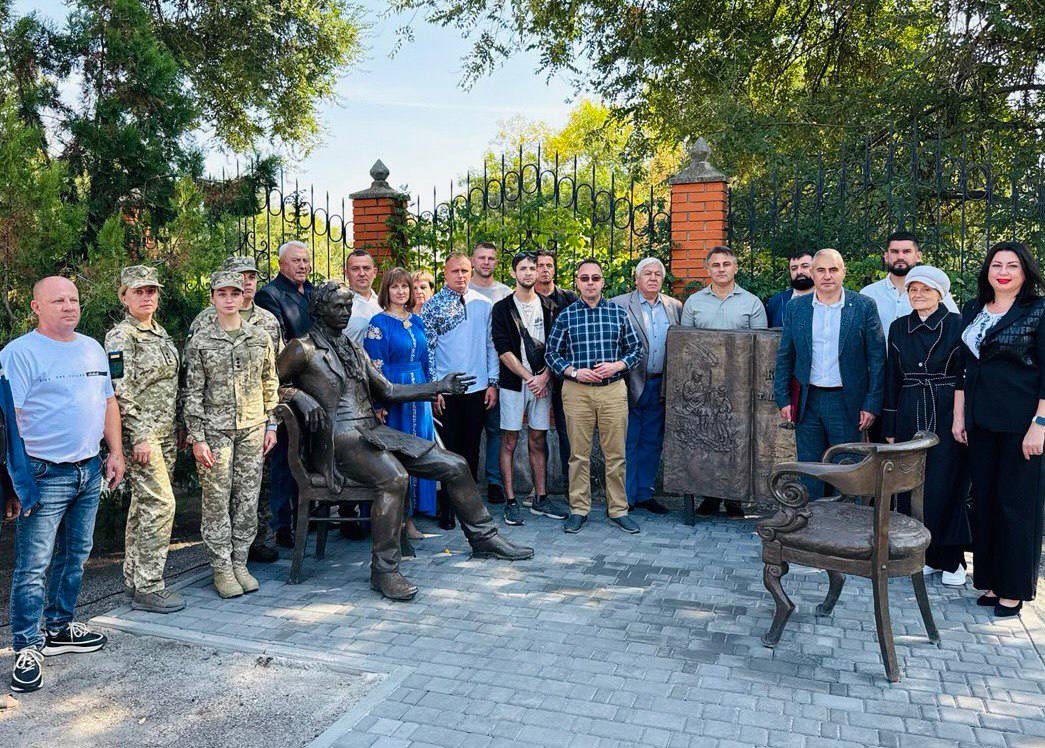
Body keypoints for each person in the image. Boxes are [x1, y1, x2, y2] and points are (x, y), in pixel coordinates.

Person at [277, 281, 533, 601]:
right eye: (338, 307)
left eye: (348, 306)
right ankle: (384, 570)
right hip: (337, 441)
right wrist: (299, 396)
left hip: (370, 433)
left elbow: (389, 391)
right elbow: (272, 384)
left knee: (454, 464)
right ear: (318, 309)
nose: (345, 312)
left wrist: (438, 385)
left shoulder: (352, 347)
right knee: (394, 477)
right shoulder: (302, 348)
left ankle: (485, 538)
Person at [2, 276, 125, 694]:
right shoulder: (18, 354)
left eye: (73, 299)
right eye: (58, 300)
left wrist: (116, 452)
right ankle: (25, 645)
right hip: (43, 473)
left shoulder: (92, 347)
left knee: (76, 555)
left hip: (88, 470)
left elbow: (107, 401)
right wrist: (15, 483)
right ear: (36, 308)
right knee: (34, 564)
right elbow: (9, 422)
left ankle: (58, 628)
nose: (69, 306)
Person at [953, 241, 1045, 618]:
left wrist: (1039, 424)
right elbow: (963, 368)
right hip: (979, 422)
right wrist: (960, 417)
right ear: (987, 271)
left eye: (1012, 265)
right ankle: (990, 579)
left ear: (1025, 272)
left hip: (1021, 424)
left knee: (1017, 506)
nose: (1003, 271)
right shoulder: (975, 309)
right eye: (996, 265)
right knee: (985, 503)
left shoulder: (1039, 310)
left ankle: (1014, 587)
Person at [183, 272, 279, 599]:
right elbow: (192, 392)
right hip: (216, 430)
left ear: (242, 297)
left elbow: (270, 383)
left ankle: (240, 561)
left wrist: (272, 425)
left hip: (252, 428)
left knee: (248, 500)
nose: (228, 299)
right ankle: (221, 567)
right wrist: (197, 437)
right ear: (212, 298)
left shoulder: (259, 337)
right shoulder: (201, 340)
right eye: (221, 293)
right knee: (216, 502)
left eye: (234, 293)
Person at [881, 265, 970, 586]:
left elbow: (965, 374)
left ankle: (951, 561)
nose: (918, 295)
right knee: (909, 485)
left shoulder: (958, 325)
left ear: (941, 293)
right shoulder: (898, 327)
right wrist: (889, 422)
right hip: (908, 409)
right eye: (913, 289)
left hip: (946, 410)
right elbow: (892, 376)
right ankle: (921, 555)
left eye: (926, 290)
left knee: (945, 485)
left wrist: (963, 417)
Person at [774, 249, 885, 499]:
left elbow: (877, 359)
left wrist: (872, 403)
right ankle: (812, 527)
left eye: (833, 269)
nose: (827, 276)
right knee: (811, 470)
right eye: (821, 270)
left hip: (847, 402)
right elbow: (786, 355)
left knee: (848, 470)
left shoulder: (863, 306)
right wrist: (783, 398)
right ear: (812, 273)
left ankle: (847, 530)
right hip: (807, 401)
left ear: (844, 272)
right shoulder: (796, 308)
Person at [105, 266, 184, 614]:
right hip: (144, 437)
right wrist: (139, 436)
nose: (147, 297)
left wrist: (179, 426)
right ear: (124, 296)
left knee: (144, 507)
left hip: (165, 434)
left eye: (151, 290)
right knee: (161, 505)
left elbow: (170, 385)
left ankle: (135, 580)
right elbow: (120, 390)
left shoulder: (160, 333)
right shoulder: (122, 337)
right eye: (138, 291)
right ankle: (150, 585)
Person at [546, 258, 643, 534]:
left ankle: (618, 509)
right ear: (576, 282)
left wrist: (618, 365)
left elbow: (635, 350)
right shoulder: (566, 316)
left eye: (595, 278)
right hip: (577, 392)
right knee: (579, 455)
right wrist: (574, 372)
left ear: (603, 281)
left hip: (613, 390)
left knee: (616, 454)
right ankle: (578, 508)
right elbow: (552, 354)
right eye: (584, 278)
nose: (590, 283)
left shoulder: (618, 313)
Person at [681, 245, 768, 516]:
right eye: (716, 265)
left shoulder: (752, 303)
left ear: (735, 268)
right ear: (707, 269)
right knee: (706, 439)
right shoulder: (694, 302)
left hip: (740, 387)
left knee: (734, 438)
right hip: (705, 387)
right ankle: (708, 496)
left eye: (726, 264)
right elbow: (686, 345)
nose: (721, 269)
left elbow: (761, 348)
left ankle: (735, 498)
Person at [420, 253, 499, 528]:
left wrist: (493, 382)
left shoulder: (484, 304)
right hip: (447, 391)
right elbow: (428, 350)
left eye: (465, 270)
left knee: (472, 448)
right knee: (448, 452)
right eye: (455, 271)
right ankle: (447, 508)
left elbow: (490, 345)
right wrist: (434, 389)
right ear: (445, 273)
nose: (461, 276)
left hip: (477, 388)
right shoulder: (432, 307)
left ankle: (470, 504)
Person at [491, 252, 568, 526]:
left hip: (542, 384)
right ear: (514, 273)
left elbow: (558, 346)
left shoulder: (550, 307)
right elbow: (503, 349)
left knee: (539, 439)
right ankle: (511, 501)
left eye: (532, 268)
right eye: (522, 268)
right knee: (510, 440)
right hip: (515, 384)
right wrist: (528, 377)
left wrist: (545, 376)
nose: (528, 273)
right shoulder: (502, 308)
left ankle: (541, 498)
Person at [364, 268, 438, 540]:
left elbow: (427, 360)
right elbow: (374, 367)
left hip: (419, 395)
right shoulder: (378, 323)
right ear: (387, 290)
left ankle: (414, 517)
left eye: (405, 287)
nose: (401, 292)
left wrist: (433, 389)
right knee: (398, 458)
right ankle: (399, 522)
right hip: (394, 393)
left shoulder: (416, 322)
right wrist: (379, 402)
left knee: (421, 454)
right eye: (395, 287)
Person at [611, 257, 683, 515]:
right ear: (637, 278)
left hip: (661, 383)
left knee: (652, 441)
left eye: (657, 274)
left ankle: (644, 493)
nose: (653, 278)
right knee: (627, 441)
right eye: (647, 273)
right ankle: (626, 496)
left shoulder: (674, 306)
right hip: (629, 383)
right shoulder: (619, 304)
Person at [254, 240, 314, 548]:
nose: (303, 265)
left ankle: (310, 515)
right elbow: (281, 345)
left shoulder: (314, 292)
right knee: (285, 458)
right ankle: (282, 525)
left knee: (311, 454)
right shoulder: (271, 295)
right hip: (289, 386)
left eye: (305, 260)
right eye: (296, 261)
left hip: (317, 385)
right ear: (281, 265)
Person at [468, 242, 510, 504]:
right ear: (473, 261)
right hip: (469, 374)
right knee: (469, 432)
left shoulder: (505, 293)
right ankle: (467, 481)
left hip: (498, 372)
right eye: (481, 258)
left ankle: (494, 481)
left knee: (495, 429)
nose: (486, 262)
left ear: (496, 262)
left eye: (491, 258)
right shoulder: (462, 288)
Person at [534, 249, 577, 489]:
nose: (544, 269)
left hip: (564, 375)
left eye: (549, 265)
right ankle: (537, 489)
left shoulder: (569, 299)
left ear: (555, 269)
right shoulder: (524, 300)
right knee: (536, 432)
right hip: (532, 376)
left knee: (566, 431)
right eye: (540, 265)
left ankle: (572, 487)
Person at [860, 231, 959, 334]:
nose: (900, 257)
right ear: (886, 256)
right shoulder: (868, 294)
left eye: (906, 251)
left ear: (918, 256)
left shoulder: (936, 295)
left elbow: (954, 329)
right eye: (894, 251)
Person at [765, 250, 814, 328]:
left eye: (805, 266)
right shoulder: (776, 302)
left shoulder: (830, 299)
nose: (799, 272)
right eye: (794, 268)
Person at [344, 250, 383, 344]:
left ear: (374, 272)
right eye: (355, 269)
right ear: (346, 273)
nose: (362, 273)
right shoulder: (340, 306)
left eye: (366, 268)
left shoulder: (384, 304)